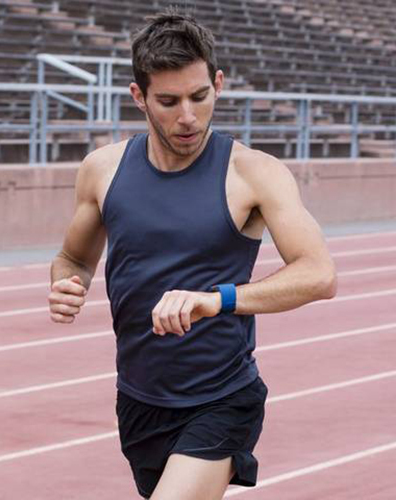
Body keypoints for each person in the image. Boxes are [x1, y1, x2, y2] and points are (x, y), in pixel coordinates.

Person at [47, 9, 337, 500]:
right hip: (138, 399)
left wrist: (216, 300)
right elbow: (73, 257)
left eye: (200, 96)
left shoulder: (253, 173)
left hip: (222, 396)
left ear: (218, 84)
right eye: (168, 101)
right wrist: (66, 286)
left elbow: (319, 274)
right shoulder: (101, 170)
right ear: (139, 97)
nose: (187, 116)